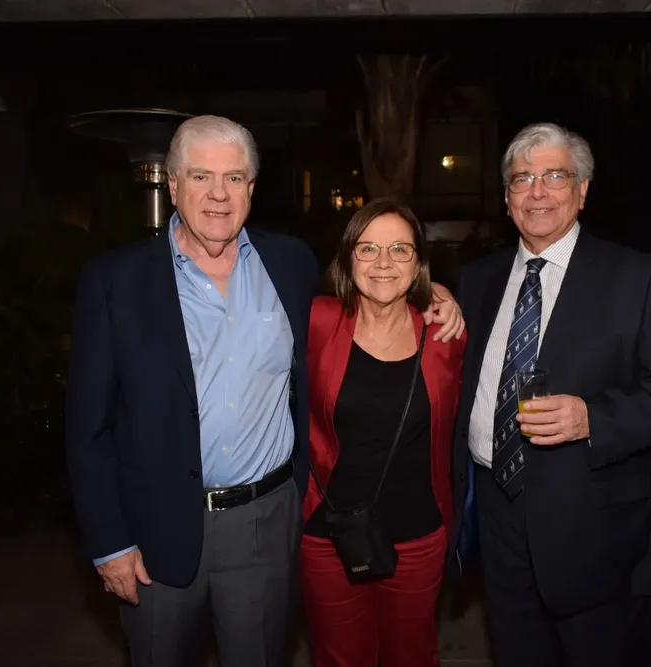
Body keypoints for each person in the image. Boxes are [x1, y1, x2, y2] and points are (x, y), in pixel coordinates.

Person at [64, 115, 463, 667]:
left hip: (266, 522)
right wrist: (109, 541)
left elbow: (369, 292)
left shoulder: (289, 263)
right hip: (155, 526)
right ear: (172, 185)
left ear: (252, 189)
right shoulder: (115, 279)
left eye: (234, 178)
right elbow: (87, 427)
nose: (218, 195)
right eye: (201, 176)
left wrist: (434, 292)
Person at [448, 122, 651, 667]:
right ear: (505, 196)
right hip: (498, 516)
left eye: (554, 176)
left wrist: (595, 416)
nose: (537, 191)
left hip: (598, 529)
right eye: (522, 179)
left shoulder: (638, 277)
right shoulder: (478, 279)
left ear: (583, 189)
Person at [299, 198, 467, 667]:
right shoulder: (316, 321)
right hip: (328, 535)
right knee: (338, 659)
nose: (383, 263)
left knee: (411, 657)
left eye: (400, 249)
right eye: (368, 248)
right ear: (348, 257)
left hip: (416, 537)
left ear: (418, 263)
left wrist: (444, 295)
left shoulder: (445, 336)